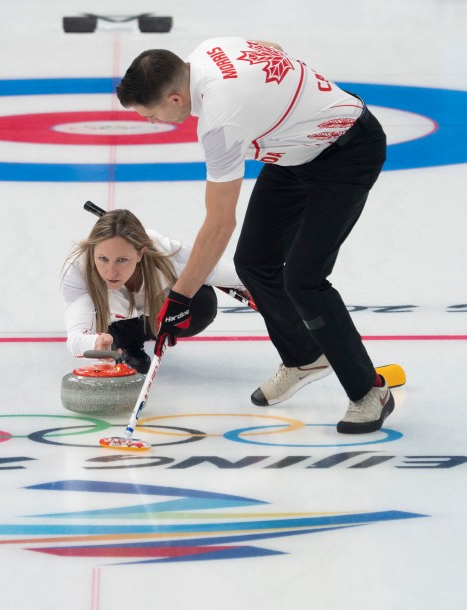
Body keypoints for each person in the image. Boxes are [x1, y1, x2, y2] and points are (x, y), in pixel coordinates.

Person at [115, 37, 393, 434]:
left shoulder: (221, 122)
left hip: (348, 153)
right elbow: (272, 48)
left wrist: (181, 296)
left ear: (176, 99)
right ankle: (304, 356)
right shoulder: (210, 50)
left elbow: (220, 222)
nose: (150, 122)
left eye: (150, 114)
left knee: (304, 279)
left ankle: (370, 391)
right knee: (253, 263)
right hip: (296, 148)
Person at [61, 208, 243, 373]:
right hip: (117, 319)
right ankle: (123, 340)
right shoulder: (78, 271)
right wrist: (94, 342)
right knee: (111, 324)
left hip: (164, 309)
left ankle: (149, 325)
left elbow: (242, 278)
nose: (111, 271)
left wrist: (268, 302)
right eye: (102, 258)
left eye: (122, 259)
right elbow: (76, 338)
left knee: (203, 303)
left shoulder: (172, 257)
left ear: (140, 253)